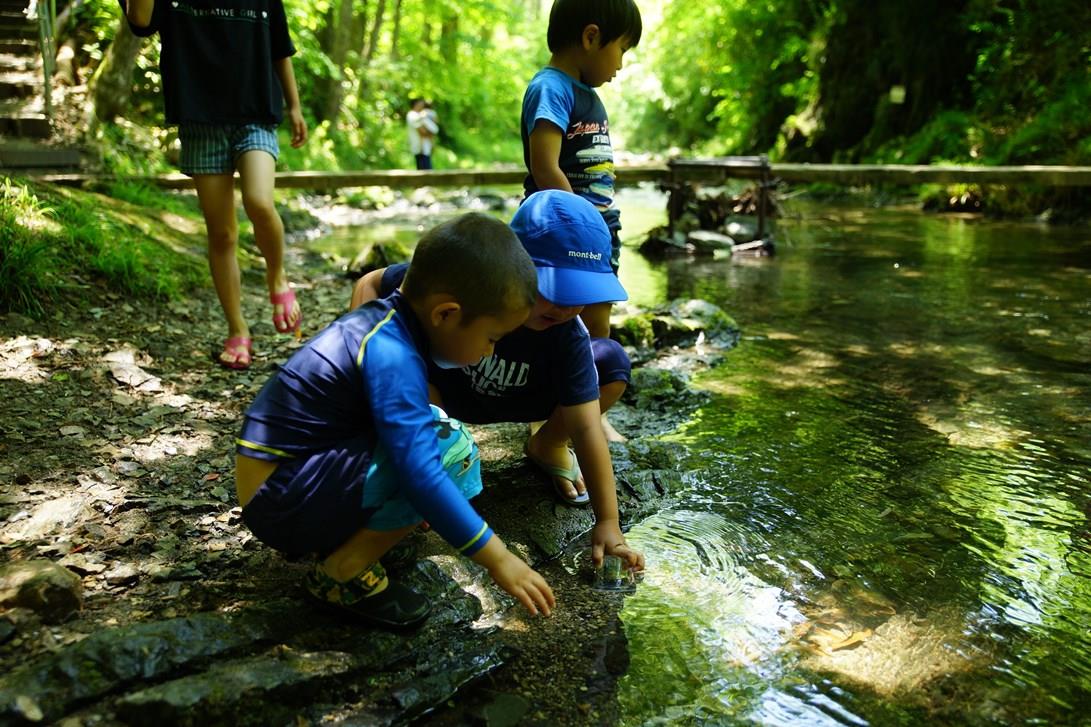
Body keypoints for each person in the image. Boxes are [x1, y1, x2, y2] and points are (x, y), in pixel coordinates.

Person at [235, 213, 556, 629]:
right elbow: (421, 473)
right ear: (445, 314)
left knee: (429, 425)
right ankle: (342, 572)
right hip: (280, 501)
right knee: (452, 447)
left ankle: (354, 538)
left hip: (286, 478)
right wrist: (499, 558)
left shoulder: (383, 324)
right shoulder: (393, 353)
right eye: (491, 338)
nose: (490, 353)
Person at [352, 191, 645, 575]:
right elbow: (373, 282)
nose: (567, 308)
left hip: (523, 397)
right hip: (446, 393)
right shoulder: (470, 283)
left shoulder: (566, 332)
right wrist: (366, 357)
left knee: (610, 362)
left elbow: (587, 426)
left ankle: (548, 443)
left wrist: (608, 522)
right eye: (554, 291)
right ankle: (418, 465)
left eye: (582, 297)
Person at [121, 0, 308, 370]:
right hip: (201, 120)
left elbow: (280, 48)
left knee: (259, 201)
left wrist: (295, 106)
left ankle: (277, 277)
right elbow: (140, 20)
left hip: (255, 116)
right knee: (221, 234)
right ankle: (238, 330)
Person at [520, 0, 642, 340]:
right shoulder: (551, 88)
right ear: (591, 37)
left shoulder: (582, 92)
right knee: (546, 314)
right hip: (562, 227)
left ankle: (588, 387)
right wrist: (580, 226)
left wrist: (596, 227)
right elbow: (545, 168)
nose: (620, 63)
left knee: (597, 320)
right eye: (622, 49)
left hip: (596, 224)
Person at [406, 98, 439, 170]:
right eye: (421, 104)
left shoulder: (421, 115)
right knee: (424, 173)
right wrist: (431, 134)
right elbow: (423, 131)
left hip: (425, 149)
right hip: (420, 149)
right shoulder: (412, 115)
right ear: (416, 104)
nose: (423, 106)